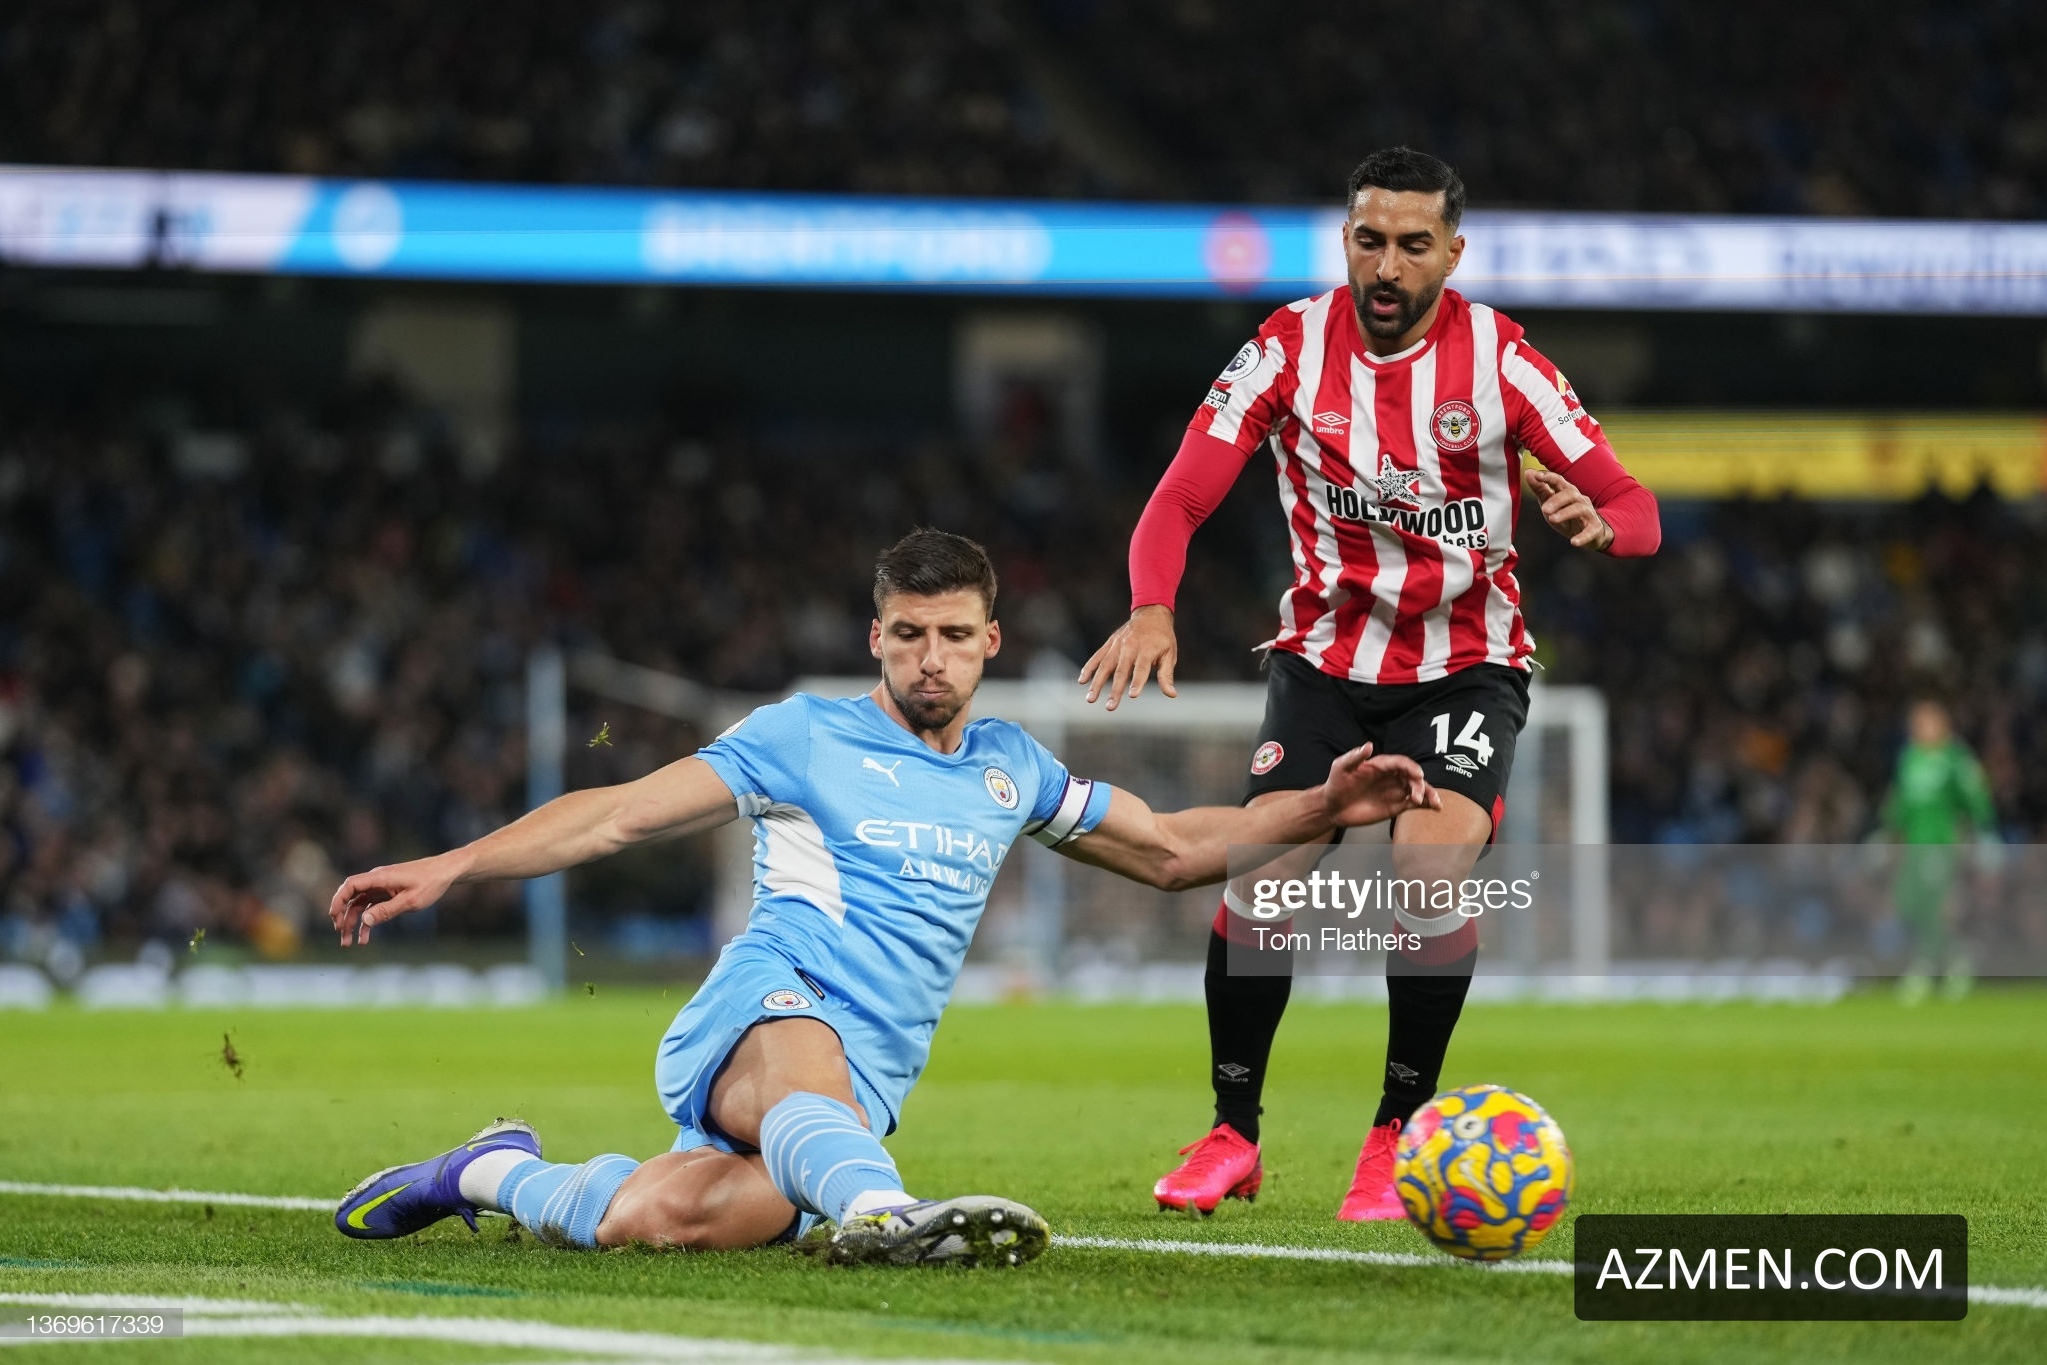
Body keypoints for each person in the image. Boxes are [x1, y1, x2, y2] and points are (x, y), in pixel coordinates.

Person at [329, 530, 1438, 1266]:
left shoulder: (1012, 769)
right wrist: (453, 865)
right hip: (770, 1004)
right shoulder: (803, 733)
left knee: (661, 1218)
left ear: (989, 642)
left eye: (953, 637)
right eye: (908, 635)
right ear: (877, 638)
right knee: (807, 1079)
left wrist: (1322, 806)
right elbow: (619, 813)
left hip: (864, 1073)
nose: (930, 659)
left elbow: (1172, 850)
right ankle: (884, 1214)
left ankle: (486, 1168)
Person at [1077, 147, 1661, 1220]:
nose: (1387, 267)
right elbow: (1178, 497)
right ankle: (1232, 1132)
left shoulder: (1503, 362)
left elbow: (1637, 507)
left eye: (1412, 245)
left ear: (1453, 252)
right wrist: (1152, 605)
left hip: (1465, 667)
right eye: (1368, 240)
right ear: (1345, 239)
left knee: (1425, 874)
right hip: (1322, 664)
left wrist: (1600, 524)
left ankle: (1396, 1134)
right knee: (1263, 877)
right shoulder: (1285, 347)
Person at [1879, 697, 1997, 1004]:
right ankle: (1956, 959)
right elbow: (1902, 800)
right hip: (1913, 844)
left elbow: (1975, 795)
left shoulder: (1954, 758)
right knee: (1909, 903)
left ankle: (1926, 967)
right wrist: (1888, 829)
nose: (1920, 728)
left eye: (1927, 721)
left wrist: (1981, 830)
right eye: (1916, 723)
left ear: (1942, 724)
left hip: (1941, 842)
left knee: (1935, 905)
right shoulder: (1910, 757)